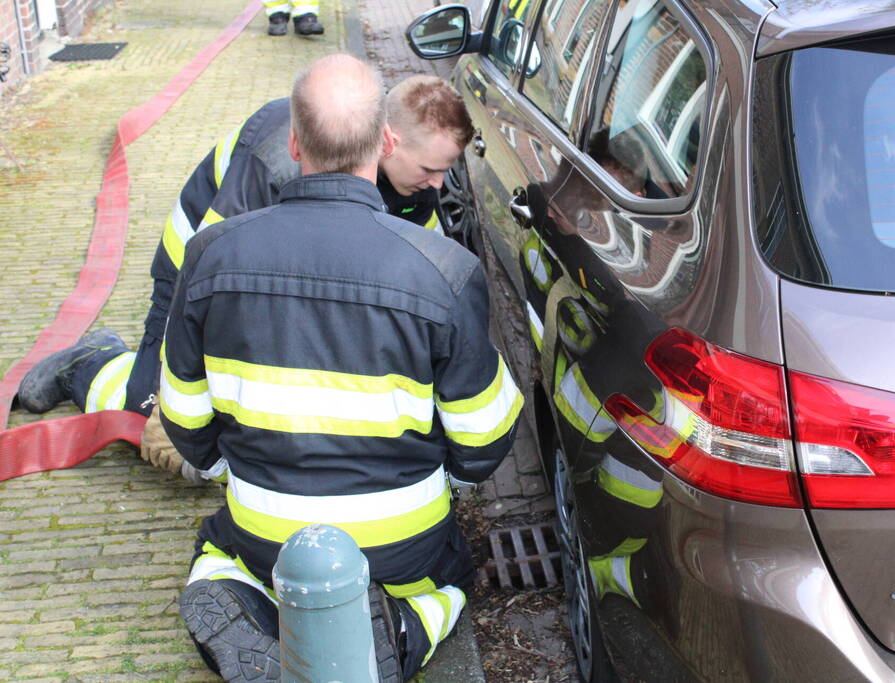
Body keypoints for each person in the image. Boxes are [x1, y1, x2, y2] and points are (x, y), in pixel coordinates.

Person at [162, 53, 522, 681]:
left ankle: (245, 596)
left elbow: (185, 415)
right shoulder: (441, 267)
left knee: (219, 546)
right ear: (386, 140)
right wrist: (445, 478)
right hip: (399, 537)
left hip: (264, 523)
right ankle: (398, 629)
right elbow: (485, 437)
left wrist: (231, 465)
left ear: (295, 144)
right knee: (454, 566)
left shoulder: (211, 254)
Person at [16, 74, 472, 437]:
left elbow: (422, 270)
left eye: (446, 171)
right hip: (194, 277)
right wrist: (171, 399)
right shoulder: (280, 157)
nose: (438, 185)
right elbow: (210, 273)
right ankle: (96, 362)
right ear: (387, 141)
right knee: (166, 418)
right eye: (430, 169)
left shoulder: (416, 185)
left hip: (281, 274)